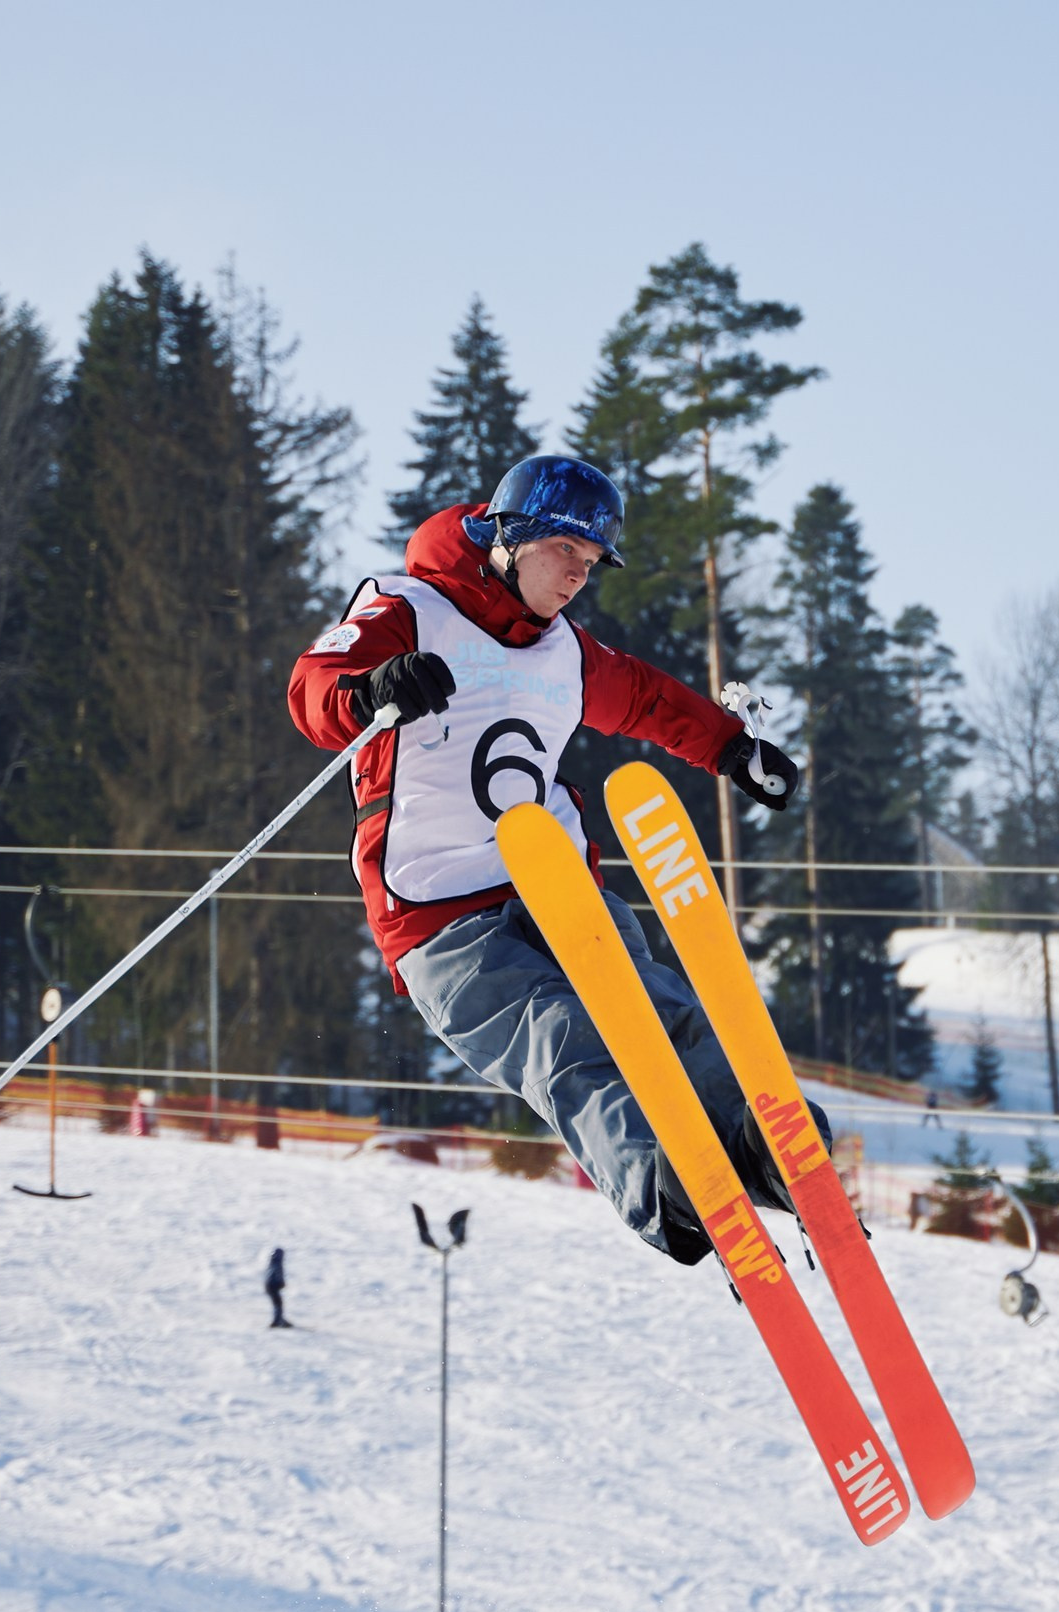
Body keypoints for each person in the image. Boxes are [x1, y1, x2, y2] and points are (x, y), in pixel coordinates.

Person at [288, 456, 809, 1269]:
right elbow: (315, 686)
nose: (578, 575)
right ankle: (664, 1182)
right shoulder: (410, 608)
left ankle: (755, 1140)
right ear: (515, 534)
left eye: (593, 562)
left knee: (657, 1004)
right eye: (567, 551)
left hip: (555, 881)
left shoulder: (564, 651)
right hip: (440, 916)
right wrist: (368, 690)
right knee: (561, 1036)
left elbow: (641, 697)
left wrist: (732, 748)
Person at [264, 1246, 291, 1329]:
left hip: (269, 1285)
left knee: (277, 1303)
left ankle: (279, 1319)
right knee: (278, 1304)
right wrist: (281, 1283)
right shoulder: (277, 1263)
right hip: (273, 1286)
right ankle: (277, 1321)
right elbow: (277, 1274)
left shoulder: (272, 1262)